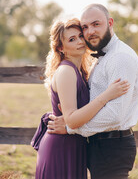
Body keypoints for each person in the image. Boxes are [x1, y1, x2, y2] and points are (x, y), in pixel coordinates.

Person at [47, 4, 138, 179]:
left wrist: (71, 128)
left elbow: (114, 115)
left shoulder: (120, 58)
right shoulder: (99, 58)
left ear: (110, 23)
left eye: (96, 24)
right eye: (85, 27)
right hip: (95, 144)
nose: (90, 31)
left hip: (112, 146)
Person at [32, 17, 130, 179]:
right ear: (61, 48)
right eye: (72, 39)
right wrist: (107, 95)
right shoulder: (66, 72)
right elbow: (72, 120)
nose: (79, 41)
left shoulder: (79, 70)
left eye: (80, 36)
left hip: (73, 145)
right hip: (61, 148)